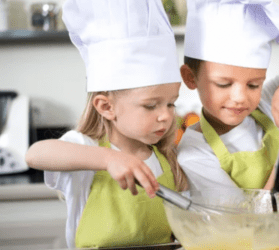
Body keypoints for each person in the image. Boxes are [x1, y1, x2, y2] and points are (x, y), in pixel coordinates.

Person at [25, 0, 187, 248]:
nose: (166, 116)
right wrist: (108, 159)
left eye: (171, 104)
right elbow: (35, 155)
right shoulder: (86, 148)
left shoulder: (166, 158)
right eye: (151, 105)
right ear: (106, 107)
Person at [177, 0, 279, 234]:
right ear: (191, 78)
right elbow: (243, 220)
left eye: (253, 84)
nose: (240, 97)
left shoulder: (266, 103)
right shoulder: (194, 151)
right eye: (224, 84)